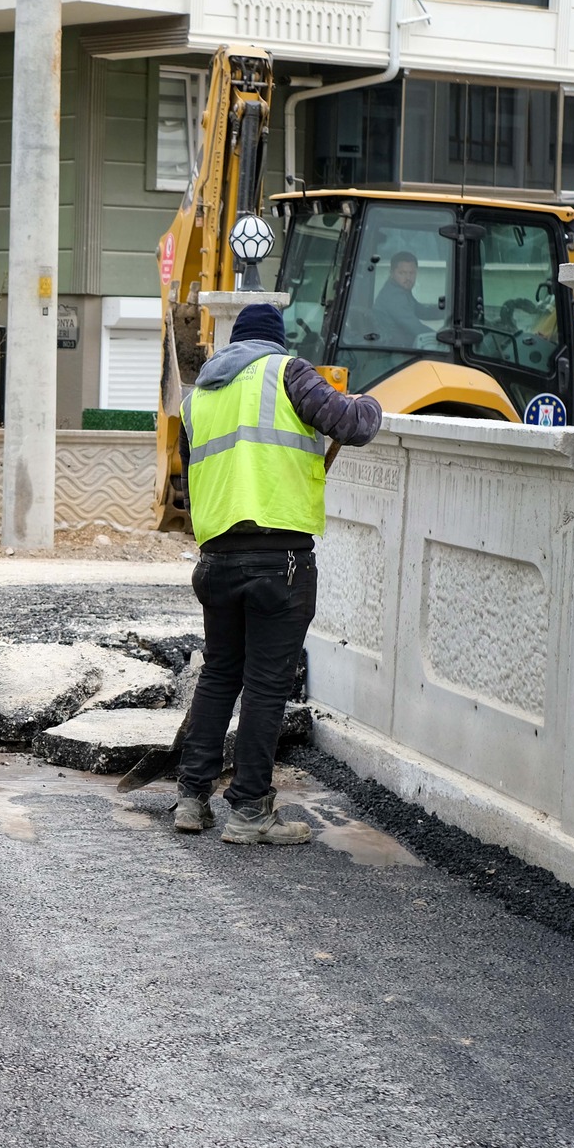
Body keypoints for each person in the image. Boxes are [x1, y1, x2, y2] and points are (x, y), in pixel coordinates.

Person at [175, 303, 383, 843]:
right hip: (280, 559)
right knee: (266, 686)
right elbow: (352, 425)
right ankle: (249, 811)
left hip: (216, 559)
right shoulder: (287, 372)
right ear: (275, 342)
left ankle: (191, 797)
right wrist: (370, 403)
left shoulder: (196, 398)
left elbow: (186, 478)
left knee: (220, 673)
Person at [371, 251, 434, 347]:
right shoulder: (393, 296)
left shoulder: (401, 290)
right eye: (402, 273)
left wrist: (447, 309)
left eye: (412, 273)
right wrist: (442, 338)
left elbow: (422, 311)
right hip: (395, 352)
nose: (408, 277)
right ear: (392, 273)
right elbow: (415, 328)